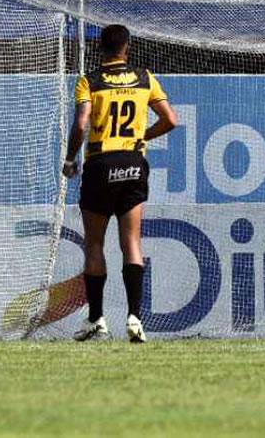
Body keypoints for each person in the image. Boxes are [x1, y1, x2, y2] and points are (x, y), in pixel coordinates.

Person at [61, 24, 177, 342]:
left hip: (100, 164)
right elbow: (171, 120)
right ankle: (135, 318)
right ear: (127, 47)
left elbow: (82, 124)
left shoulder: (90, 81)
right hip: (133, 164)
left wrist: (71, 159)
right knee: (132, 244)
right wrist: (142, 135)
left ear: (100, 48)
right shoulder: (145, 77)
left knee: (95, 245)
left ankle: (97, 319)